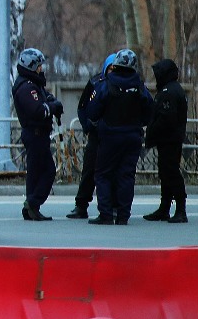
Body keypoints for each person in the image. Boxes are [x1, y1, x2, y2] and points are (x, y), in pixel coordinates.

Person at [84, 48, 153, 225]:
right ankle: (123, 215)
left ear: (115, 65)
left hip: (109, 137)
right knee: (126, 175)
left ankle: (106, 214)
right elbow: (149, 112)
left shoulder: (106, 85)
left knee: (103, 174)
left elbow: (92, 111)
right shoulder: (139, 87)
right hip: (132, 138)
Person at [12, 48, 63, 221]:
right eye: (39, 66)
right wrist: (52, 108)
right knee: (48, 171)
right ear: (32, 66)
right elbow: (37, 110)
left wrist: (53, 103)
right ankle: (33, 202)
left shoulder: (33, 84)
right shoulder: (26, 87)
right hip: (35, 134)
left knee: (35, 173)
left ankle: (31, 208)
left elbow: (46, 98)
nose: (42, 69)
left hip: (38, 133)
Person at [67, 53, 116, 219]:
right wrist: (87, 126)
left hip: (114, 135)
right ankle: (81, 204)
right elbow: (83, 107)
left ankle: (113, 205)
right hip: (96, 134)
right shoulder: (95, 83)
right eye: (110, 68)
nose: (112, 72)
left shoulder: (125, 84)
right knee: (89, 170)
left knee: (114, 172)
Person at [143, 58, 189, 223]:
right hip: (171, 139)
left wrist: (152, 133)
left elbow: (165, 119)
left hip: (168, 139)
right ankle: (165, 208)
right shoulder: (175, 90)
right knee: (167, 173)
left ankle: (179, 209)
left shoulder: (168, 92)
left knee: (170, 173)